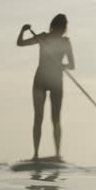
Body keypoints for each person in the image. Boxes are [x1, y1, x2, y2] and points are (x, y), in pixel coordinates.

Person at [16, 14, 75, 161]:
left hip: (55, 82)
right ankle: (36, 154)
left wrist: (63, 65)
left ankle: (56, 154)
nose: (61, 30)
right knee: (39, 118)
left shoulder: (65, 42)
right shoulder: (43, 37)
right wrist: (23, 30)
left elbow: (72, 65)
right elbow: (21, 43)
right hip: (41, 81)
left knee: (55, 119)